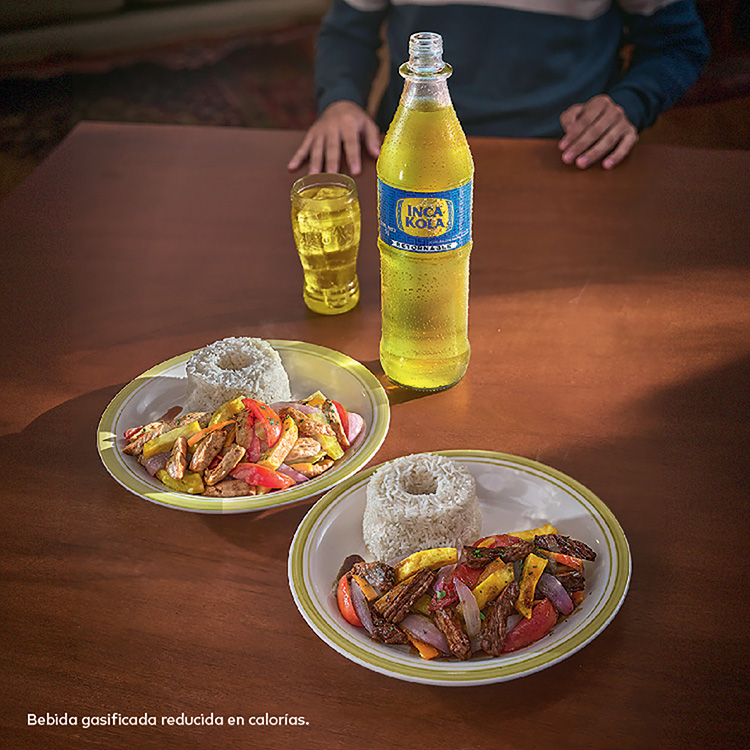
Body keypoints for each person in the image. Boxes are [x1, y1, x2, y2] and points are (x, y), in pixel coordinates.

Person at [288, 0, 710, 174]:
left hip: (562, 154)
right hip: (410, 154)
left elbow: (678, 43)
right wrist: (340, 100)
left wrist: (629, 103)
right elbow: (347, 32)